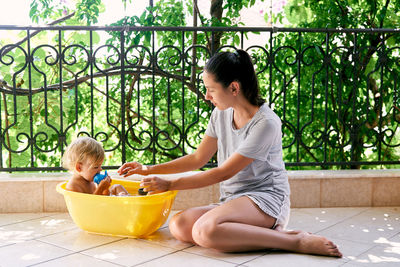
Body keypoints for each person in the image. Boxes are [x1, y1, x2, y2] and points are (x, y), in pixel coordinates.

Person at [117, 49, 342, 257]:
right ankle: (238, 230)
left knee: (205, 231)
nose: (206, 96)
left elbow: (222, 173)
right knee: (180, 226)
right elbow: (198, 158)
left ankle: (294, 240)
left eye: (211, 90)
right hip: (234, 200)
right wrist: (148, 169)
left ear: (234, 88)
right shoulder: (221, 113)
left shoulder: (266, 124)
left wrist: (169, 184)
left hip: (266, 200)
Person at [63, 136, 129, 196]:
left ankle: (126, 201)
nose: (100, 169)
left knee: (118, 187)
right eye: (96, 167)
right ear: (79, 167)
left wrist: (105, 188)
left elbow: (104, 197)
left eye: (100, 165)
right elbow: (90, 205)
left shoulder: (90, 180)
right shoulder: (73, 186)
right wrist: (100, 188)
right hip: (89, 208)